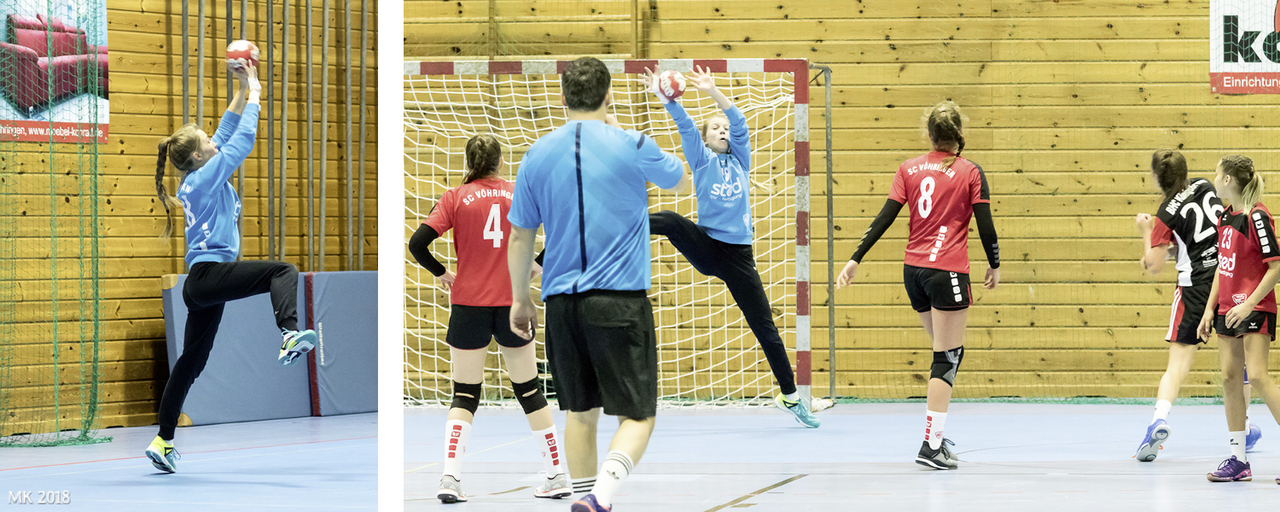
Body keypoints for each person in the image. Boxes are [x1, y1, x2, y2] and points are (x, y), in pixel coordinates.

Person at [507, 56, 687, 512]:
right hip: (619, 303)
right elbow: (680, 179)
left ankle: (586, 496)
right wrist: (621, 125)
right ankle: (600, 497)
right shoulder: (631, 142)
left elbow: (521, 235)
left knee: (579, 415)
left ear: (563, 98)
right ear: (608, 96)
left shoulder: (537, 152)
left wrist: (520, 299)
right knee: (639, 414)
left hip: (562, 305)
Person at [144, 57, 318, 473]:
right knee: (283, 271)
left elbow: (223, 133)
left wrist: (239, 88)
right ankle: (289, 335)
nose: (212, 141)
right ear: (199, 158)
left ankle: (162, 441)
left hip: (201, 283)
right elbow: (239, 143)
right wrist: (256, 91)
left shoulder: (196, 174)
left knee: (191, 363)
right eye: (206, 141)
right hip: (209, 276)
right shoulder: (205, 179)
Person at [643, 66, 819, 427]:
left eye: (724, 129)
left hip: (738, 256)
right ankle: (621, 224)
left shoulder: (740, 159)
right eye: (715, 129)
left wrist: (712, 91)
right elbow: (686, 128)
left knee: (764, 326)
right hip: (708, 247)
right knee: (673, 221)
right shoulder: (701, 159)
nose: (723, 131)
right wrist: (667, 100)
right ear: (707, 139)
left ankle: (790, 396)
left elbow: (739, 122)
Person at [834, 101, 999, 470]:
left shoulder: (908, 168)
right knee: (948, 357)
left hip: (914, 272)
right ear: (959, 136)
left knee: (944, 354)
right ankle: (931, 444)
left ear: (929, 135)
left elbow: (884, 218)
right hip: (947, 271)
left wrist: (855, 257)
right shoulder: (970, 171)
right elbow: (985, 226)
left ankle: (937, 435)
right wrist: (995, 264)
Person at [407, 134, 568, 503]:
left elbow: (417, 244)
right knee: (529, 391)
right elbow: (559, 230)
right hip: (513, 303)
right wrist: (536, 268)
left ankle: (450, 479)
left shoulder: (455, 197)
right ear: (499, 161)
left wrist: (442, 273)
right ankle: (557, 474)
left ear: (469, 162)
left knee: (464, 395)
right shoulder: (519, 192)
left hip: (468, 306)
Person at [1133, 149, 1260, 461]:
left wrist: (1146, 233)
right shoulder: (1205, 185)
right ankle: (1243, 427)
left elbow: (1154, 264)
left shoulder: (1165, 214)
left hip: (1194, 288)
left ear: (1156, 179)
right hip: (1227, 277)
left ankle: (1158, 421)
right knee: (1238, 361)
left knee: (1178, 362)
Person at [1196, 155, 1280, 483]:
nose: (1214, 179)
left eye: (1217, 174)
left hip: (1254, 307)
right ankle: (1238, 460)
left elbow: (1276, 267)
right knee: (1231, 378)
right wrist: (1208, 309)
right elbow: (1223, 265)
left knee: (1257, 376)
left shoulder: (1257, 215)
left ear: (1228, 179)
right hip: (1226, 309)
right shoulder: (1225, 218)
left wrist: (1249, 305)